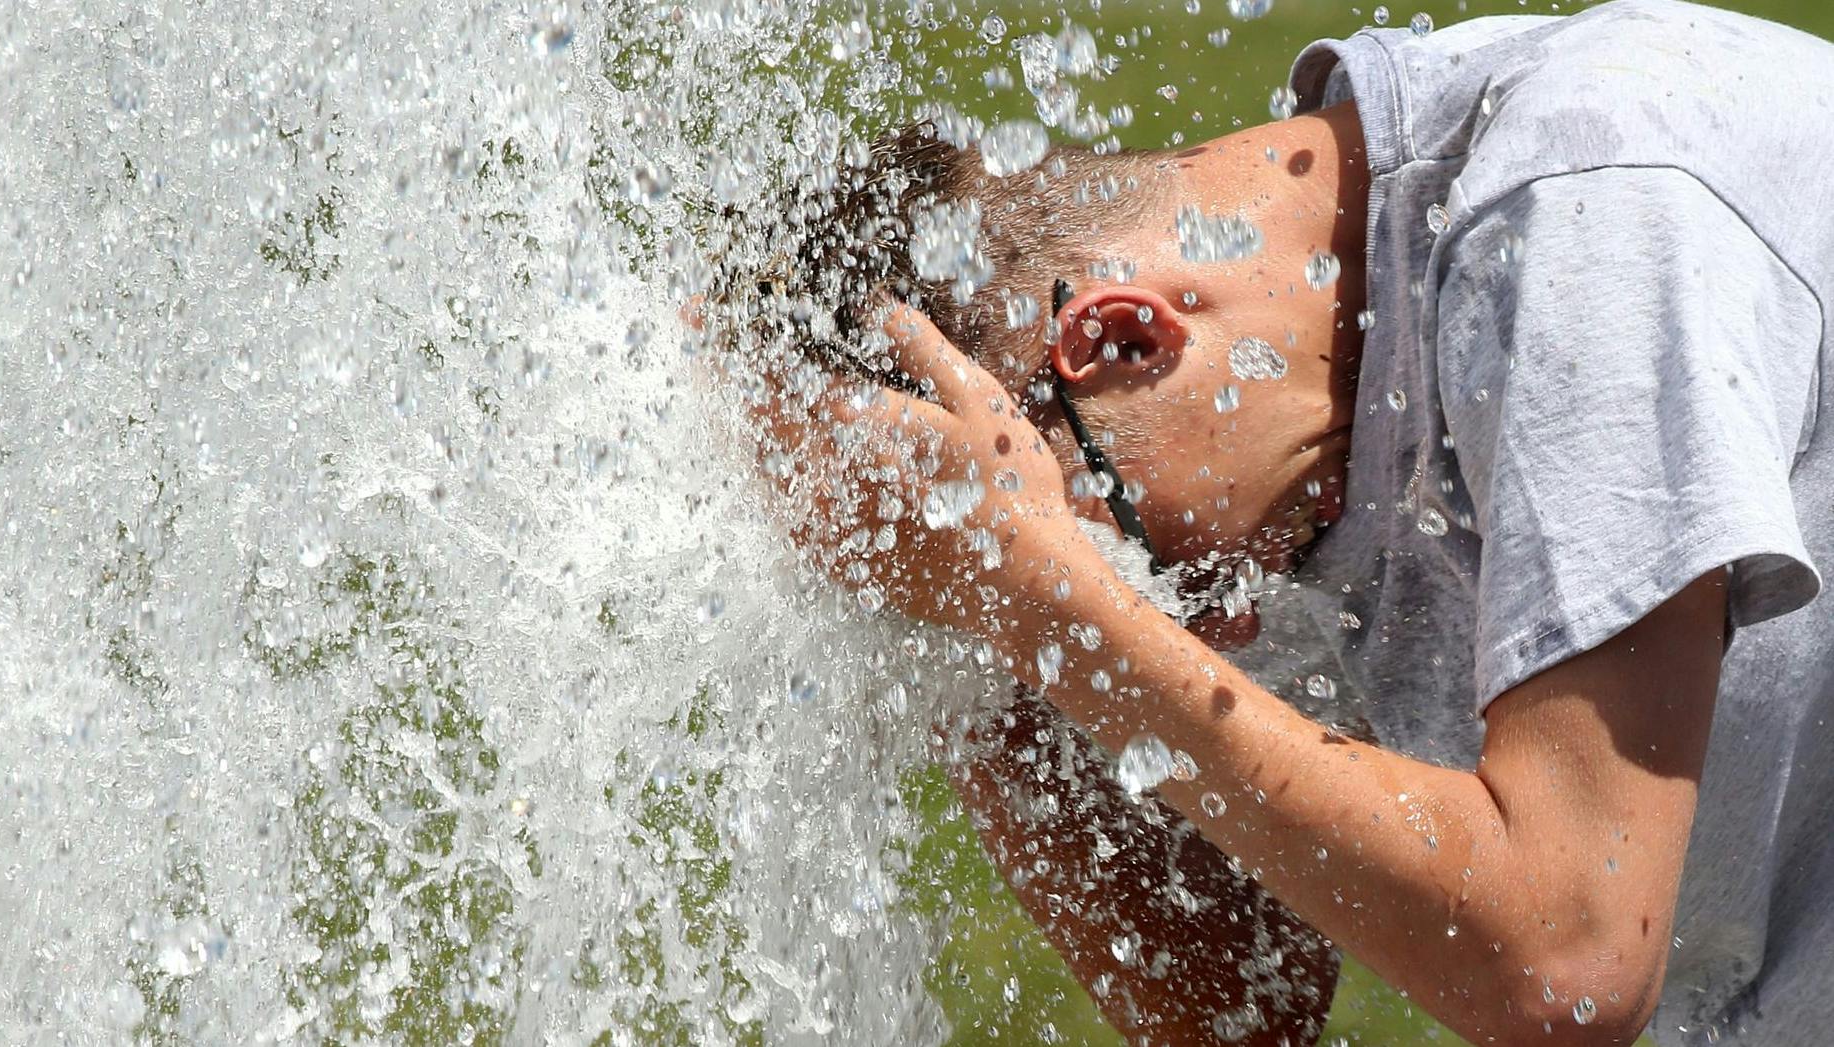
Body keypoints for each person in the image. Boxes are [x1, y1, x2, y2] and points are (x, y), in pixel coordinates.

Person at [721, 0, 1833, 1042]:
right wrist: (979, 627)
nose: (1227, 631)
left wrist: (1042, 594)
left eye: (1117, 561)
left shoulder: (1588, 210)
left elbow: (1567, 961)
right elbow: (1246, 997)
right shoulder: (1259, 428)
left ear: (1118, 343)